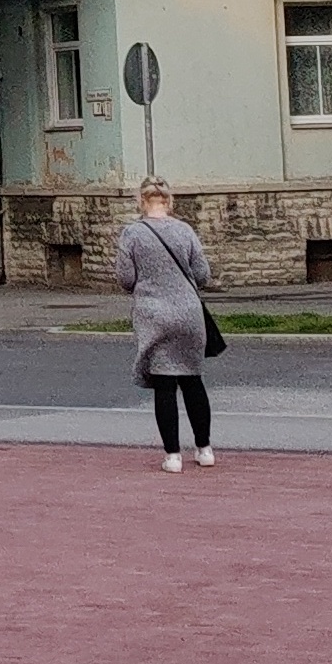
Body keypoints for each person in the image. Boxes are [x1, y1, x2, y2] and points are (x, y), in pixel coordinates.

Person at [114, 178, 215, 472]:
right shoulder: (185, 231)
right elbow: (203, 274)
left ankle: (173, 456)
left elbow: (125, 279)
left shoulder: (132, 234)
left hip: (154, 314)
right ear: (169, 202)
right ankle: (205, 449)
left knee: (165, 386)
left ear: (141, 202)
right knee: (193, 381)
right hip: (189, 313)